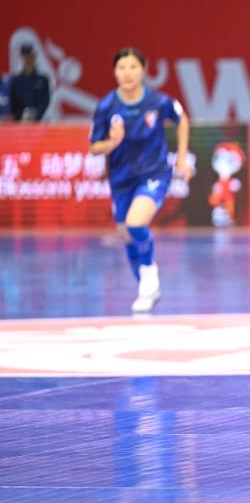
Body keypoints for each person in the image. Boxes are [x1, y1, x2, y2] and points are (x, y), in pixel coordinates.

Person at [89, 48, 190, 312]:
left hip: (154, 173)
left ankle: (149, 273)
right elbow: (94, 147)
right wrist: (112, 142)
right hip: (122, 179)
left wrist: (181, 158)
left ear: (143, 70)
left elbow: (181, 119)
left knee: (136, 223)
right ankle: (147, 288)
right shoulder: (106, 106)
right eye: (122, 68)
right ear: (115, 72)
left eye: (133, 67)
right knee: (127, 235)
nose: (128, 73)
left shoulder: (158, 101)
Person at [9, 44, 50, 122]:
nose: (27, 59)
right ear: (21, 58)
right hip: (19, 122)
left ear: (34, 57)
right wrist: (18, 116)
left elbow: (45, 101)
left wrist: (35, 117)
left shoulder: (43, 79)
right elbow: (12, 102)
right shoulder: (15, 80)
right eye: (25, 56)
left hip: (37, 121)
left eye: (29, 56)